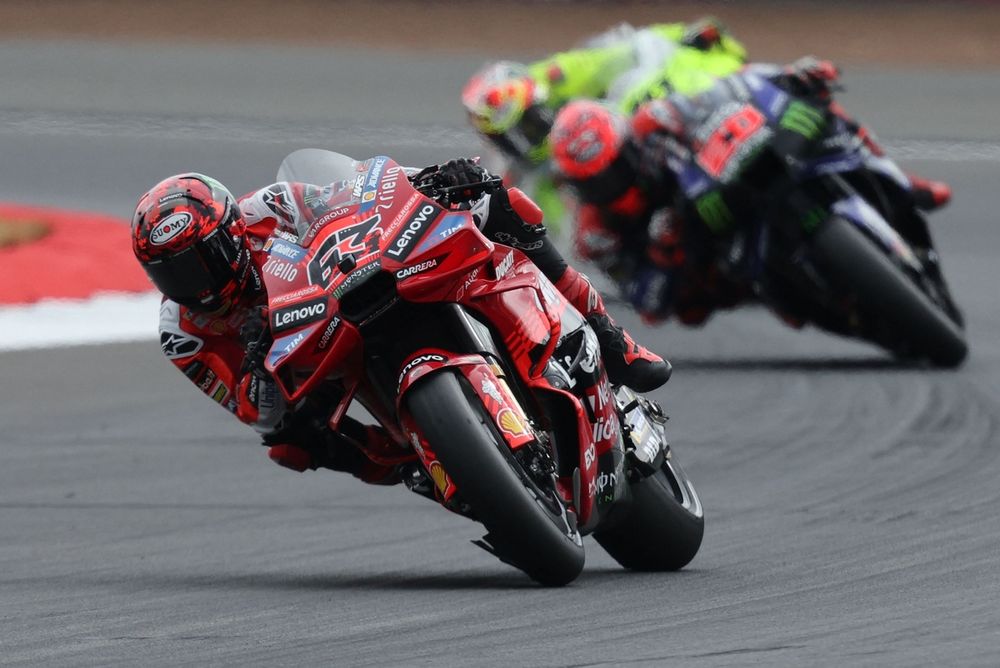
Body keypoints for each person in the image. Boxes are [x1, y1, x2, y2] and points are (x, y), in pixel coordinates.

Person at [130, 160, 670, 482]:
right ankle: (416, 466)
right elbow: (254, 411)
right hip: (312, 362)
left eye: (200, 261)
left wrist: (430, 181)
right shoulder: (184, 335)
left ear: (229, 232)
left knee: (500, 203)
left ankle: (609, 337)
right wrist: (258, 369)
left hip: (355, 290)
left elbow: (357, 197)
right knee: (291, 446)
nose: (195, 285)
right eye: (172, 275)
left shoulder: (272, 206)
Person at [547, 57, 954, 326]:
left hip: (725, 184)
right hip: (707, 261)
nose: (610, 184)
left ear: (626, 144)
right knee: (698, 304)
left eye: (615, 168)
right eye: (595, 182)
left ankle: (902, 181)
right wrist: (662, 253)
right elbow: (647, 304)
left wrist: (787, 77)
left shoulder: (654, 121)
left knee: (816, 106)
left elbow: (726, 91)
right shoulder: (596, 231)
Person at [461, 19, 748, 230]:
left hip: (709, 98)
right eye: (508, 140)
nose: (525, 143)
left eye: (528, 128)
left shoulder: (563, 75)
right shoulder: (527, 176)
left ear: (538, 103)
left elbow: (638, 46)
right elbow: (546, 232)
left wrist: (685, 37)